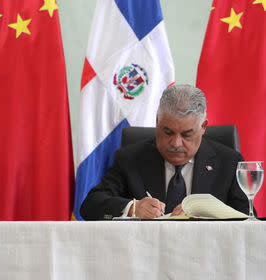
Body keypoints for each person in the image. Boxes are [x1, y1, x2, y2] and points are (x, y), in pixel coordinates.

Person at [80, 84, 248, 220]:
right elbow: (90, 205)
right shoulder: (130, 158)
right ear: (157, 121)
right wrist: (133, 208)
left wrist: (206, 215)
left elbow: (247, 218)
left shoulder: (229, 162)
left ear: (203, 127)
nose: (176, 143)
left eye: (186, 135)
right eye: (168, 132)